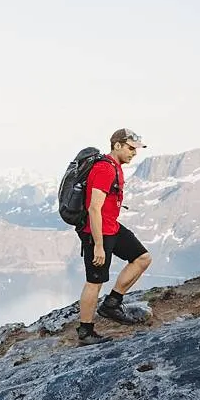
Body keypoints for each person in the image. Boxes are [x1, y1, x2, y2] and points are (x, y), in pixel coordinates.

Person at [76, 128, 153, 345]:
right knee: (95, 282)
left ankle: (112, 304)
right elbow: (93, 208)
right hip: (96, 232)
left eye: (135, 149)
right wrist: (99, 245)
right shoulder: (104, 169)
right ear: (117, 145)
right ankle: (85, 332)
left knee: (142, 258)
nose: (134, 153)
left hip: (112, 228)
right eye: (130, 148)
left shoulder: (116, 167)